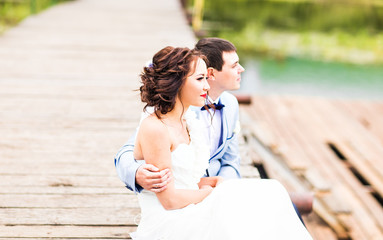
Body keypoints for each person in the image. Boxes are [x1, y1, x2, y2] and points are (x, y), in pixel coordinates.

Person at [127, 46, 312, 239]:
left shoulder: (187, 120)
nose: (207, 87)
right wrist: (211, 193)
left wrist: (210, 182)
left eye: (206, 79)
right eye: (200, 79)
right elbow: (169, 200)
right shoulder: (155, 128)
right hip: (171, 219)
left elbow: (184, 178)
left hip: (191, 203)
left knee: (272, 190)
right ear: (177, 83)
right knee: (237, 207)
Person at [115, 38, 243, 194]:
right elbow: (129, 150)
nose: (241, 69)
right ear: (210, 73)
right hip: (177, 192)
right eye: (234, 65)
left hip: (214, 188)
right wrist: (136, 173)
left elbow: (231, 160)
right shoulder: (174, 106)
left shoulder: (231, 104)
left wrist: (222, 188)